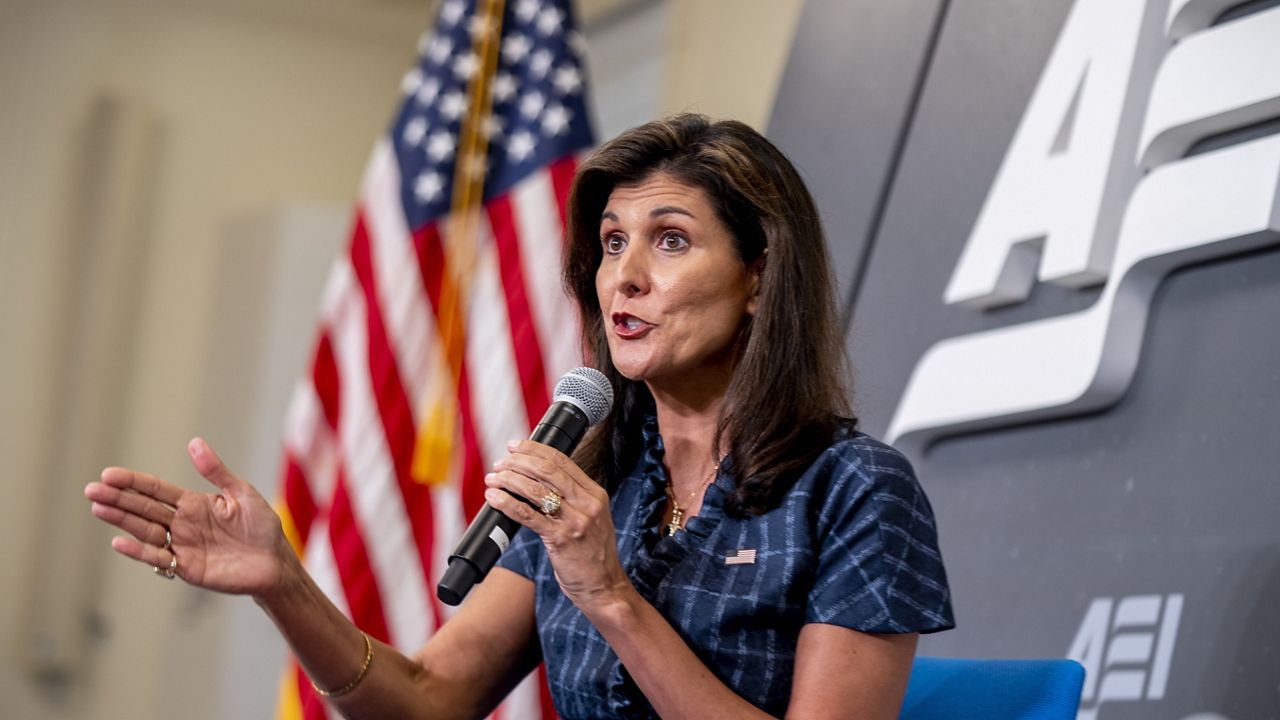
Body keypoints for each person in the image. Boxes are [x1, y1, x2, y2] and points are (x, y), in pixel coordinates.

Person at [84, 114, 954, 719]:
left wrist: (609, 595)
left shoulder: (855, 490)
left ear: (762, 276)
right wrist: (282, 581)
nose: (625, 276)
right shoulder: (591, 479)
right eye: (613, 242)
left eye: (671, 239)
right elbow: (427, 699)